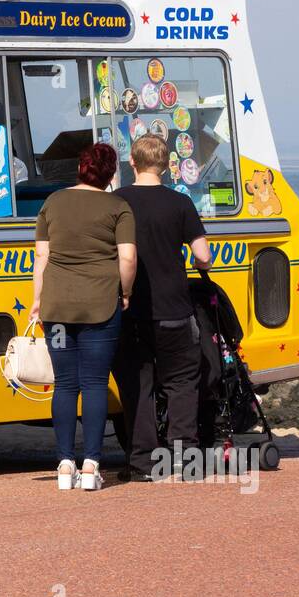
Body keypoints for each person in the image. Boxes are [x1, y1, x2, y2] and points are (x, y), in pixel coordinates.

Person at [30, 142, 136, 491]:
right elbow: (128, 259)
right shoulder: (118, 207)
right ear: (108, 174)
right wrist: (125, 292)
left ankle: (63, 464)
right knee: (93, 384)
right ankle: (90, 465)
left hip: (58, 308)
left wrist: (36, 302)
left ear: (80, 167)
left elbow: (41, 259)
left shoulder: (52, 203)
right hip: (100, 308)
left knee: (64, 384)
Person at [111, 134, 213, 481]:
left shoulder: (117, 202)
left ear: (133, 164)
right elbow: (203, 256)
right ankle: (185, 461)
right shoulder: (180, 203)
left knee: (137, 385)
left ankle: (142, 464)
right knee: (182, 382)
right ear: (168, 164)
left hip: (130, 310)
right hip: (174, 309)